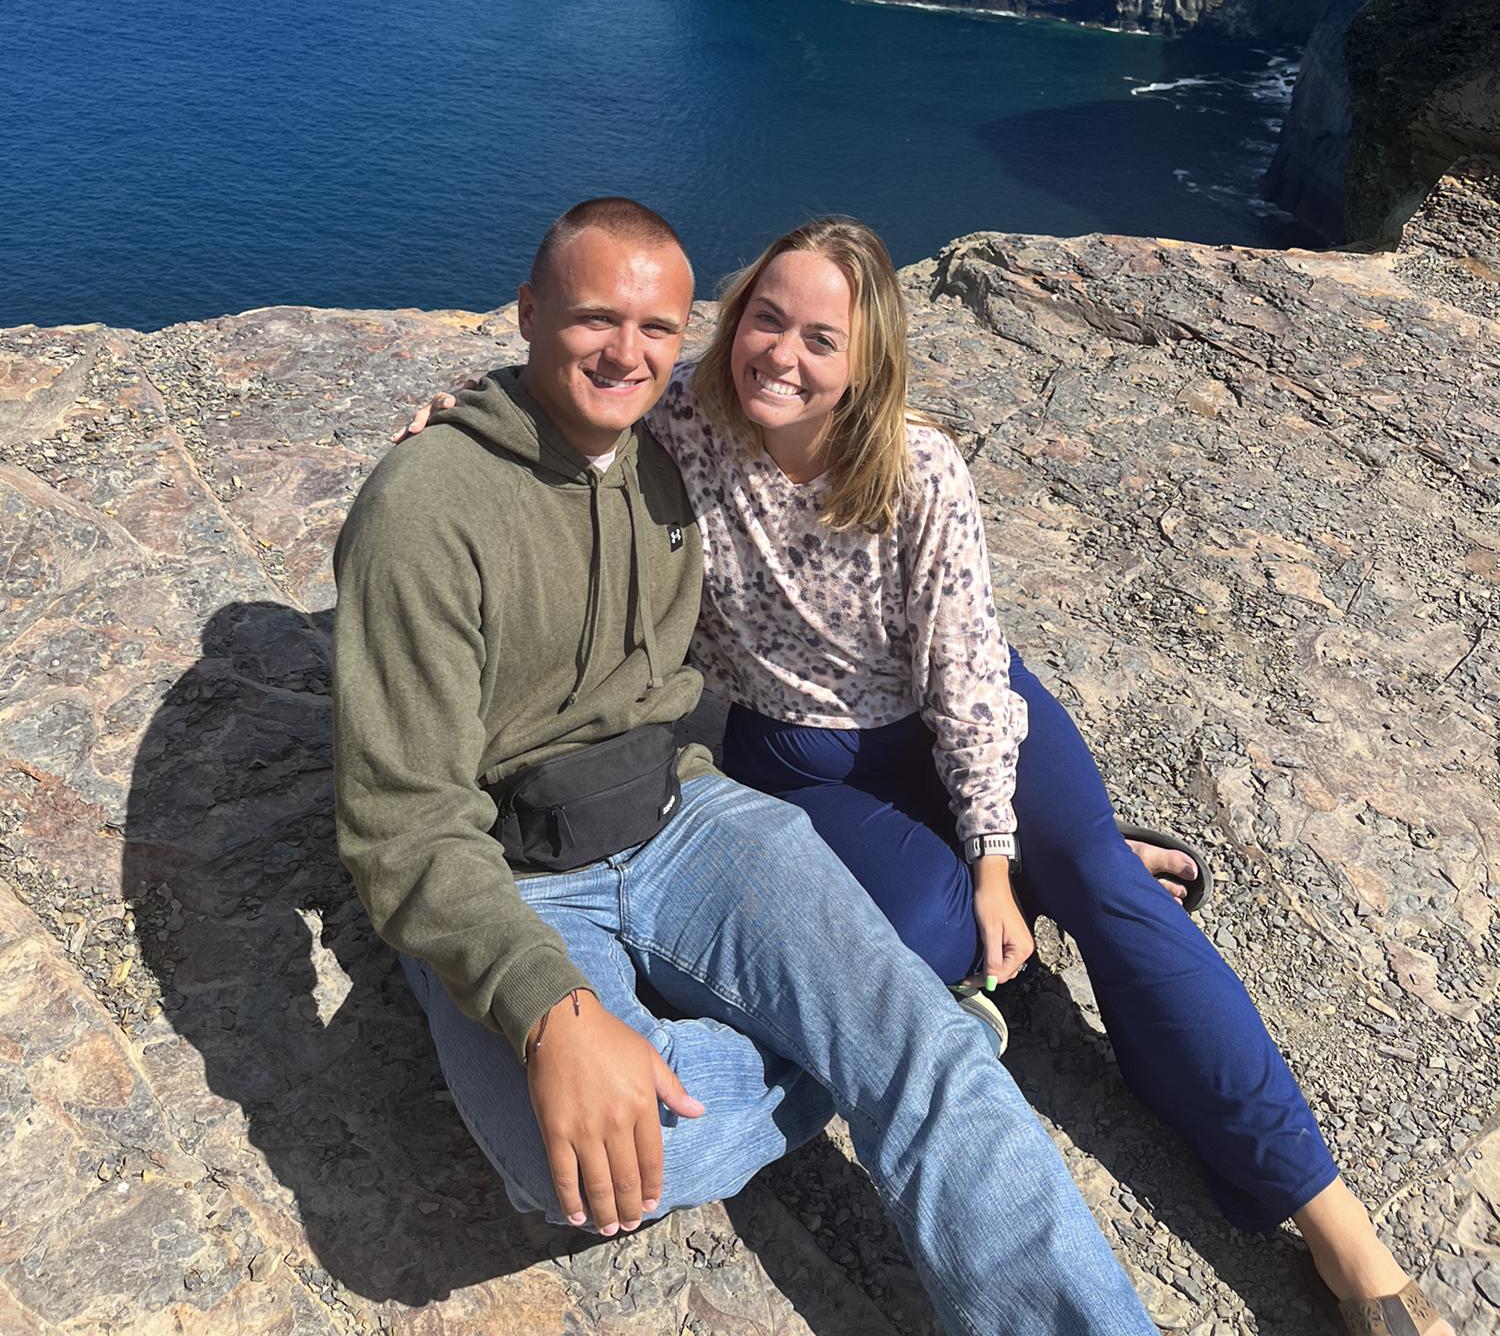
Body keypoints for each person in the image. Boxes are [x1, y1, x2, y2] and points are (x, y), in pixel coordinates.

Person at [404, 211, 1455, 1336]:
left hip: (963, 720)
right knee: (922, 944)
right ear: (735, 316)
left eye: (820, 338)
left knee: (1103, 887)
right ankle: (1031, 872)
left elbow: (965, 679)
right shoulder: (686, 423)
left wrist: (1000, 857)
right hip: (802, 753)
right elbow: (584, 373)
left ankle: (1336, 1225)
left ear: (864, 364)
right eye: (766, 318)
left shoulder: (917, 467)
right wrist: (467, 413)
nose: (782, 354)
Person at [333, 196, 1156, 1336]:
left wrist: (987, 855)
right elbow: (404, 818)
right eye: (592, 319)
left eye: (659, 328)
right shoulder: (425, 511)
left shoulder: (671, 449)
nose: (626, 353)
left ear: (689, 343)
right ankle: (872, 1047)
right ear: (525, 312)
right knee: (579, 1168)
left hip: (691, 819)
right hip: (515, 874)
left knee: (918, 1058)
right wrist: (549, 1006)